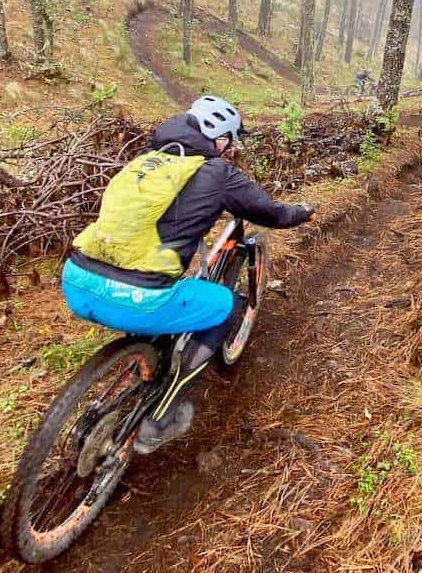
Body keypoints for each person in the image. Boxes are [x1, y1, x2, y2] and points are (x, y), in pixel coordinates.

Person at [61, 96, 313, 453]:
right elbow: (271, 213)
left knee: (149, 274)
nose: (230, 148)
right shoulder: (216, 172)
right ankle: (160, 420)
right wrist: (302, 212)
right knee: (223, 305)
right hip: (140, 299)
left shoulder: (146, 162)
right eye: (230, 140)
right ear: (219, 138)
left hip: (77, 280)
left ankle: (142, 358)